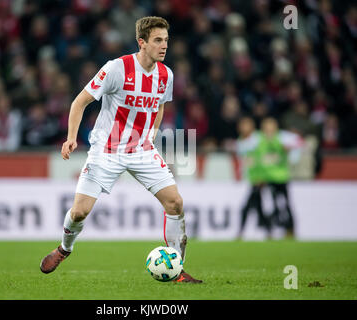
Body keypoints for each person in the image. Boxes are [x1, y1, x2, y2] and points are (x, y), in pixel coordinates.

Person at [40, 16, 202, 283]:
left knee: (175, 203)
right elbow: (79, 102)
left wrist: (151, 135)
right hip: (107, 149)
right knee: (79, 212)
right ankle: (64, 248)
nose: (164, 46)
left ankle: (177, 269)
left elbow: (159, 105)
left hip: (141, 150)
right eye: (158, 40)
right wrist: (70, 138)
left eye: (166, 41)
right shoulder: (116, 68)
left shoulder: (166, 74)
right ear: (142, 42)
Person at [259, 117, 304, 238]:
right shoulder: (261, 140)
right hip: (268, 178)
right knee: (270, 205)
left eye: (271, 126)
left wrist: (289, 149)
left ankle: (291, 228)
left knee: (286, 204)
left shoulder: (282, 138)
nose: (269, 129)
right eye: (267, 127)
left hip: (282, 177)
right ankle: (271, 229)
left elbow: (298, 142)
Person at [236, 116, 271, 239]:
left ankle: (240, 231)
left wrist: (263, 177)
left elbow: (263, 159)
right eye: (242, 125)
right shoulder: (240, 141)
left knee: (246, 207)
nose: (243, 127)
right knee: (259, 207)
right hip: (249, 179)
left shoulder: (259, 139)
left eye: (246, 124)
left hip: (258, 179)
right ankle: (269, 230)